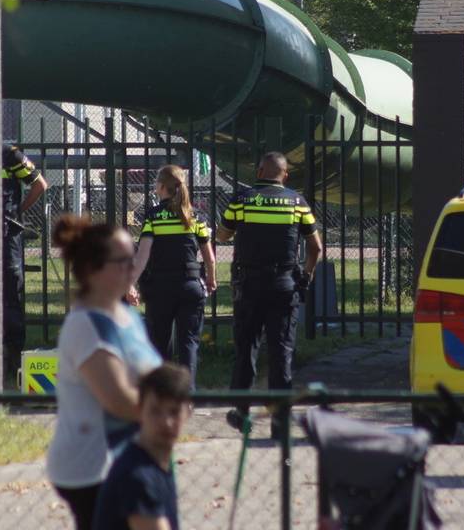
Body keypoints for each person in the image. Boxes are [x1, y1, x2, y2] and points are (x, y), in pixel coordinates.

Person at [48, 215, 162, 530]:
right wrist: (168, 407)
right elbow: (118, 400)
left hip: (129, 456)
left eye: (133, 259)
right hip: (93, 466)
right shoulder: (85, 324)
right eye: (123, 261)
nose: (133, 267)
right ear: (93, 269)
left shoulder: (127, 316)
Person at [216, 152, 322, 435]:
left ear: (260, 170)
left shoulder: (242, 199)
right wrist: (306, 278)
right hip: (284, 285)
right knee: (281, 352)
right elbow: (316, 248)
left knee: (246, 349)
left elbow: (222, 235)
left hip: (249, 285)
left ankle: (241, 412)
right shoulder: (298, 203)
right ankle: (279, 420)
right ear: (285, 175)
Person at [129, 166, 216, 386]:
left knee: (160, 343)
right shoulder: (195, 216)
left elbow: (142, 256)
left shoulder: (153, 217)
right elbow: (209, 258)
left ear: (161, 186)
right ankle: (187, 394)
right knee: (189, 343)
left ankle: (164, 393)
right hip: (191, 285)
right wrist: (211, 280)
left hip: (161, 287)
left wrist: (130, 284)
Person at [92, 362, 192, 530]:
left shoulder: (154, 463)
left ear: (188, 413)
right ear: (139, 410)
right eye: (155, 411)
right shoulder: (138, 477)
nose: (166, 422)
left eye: (174, 412)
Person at [2, 145, 48, 390]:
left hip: (7, 235)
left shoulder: (10, 155)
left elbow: (40, 184)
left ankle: (13, 361)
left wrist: (17, 212)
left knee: (11, 297)